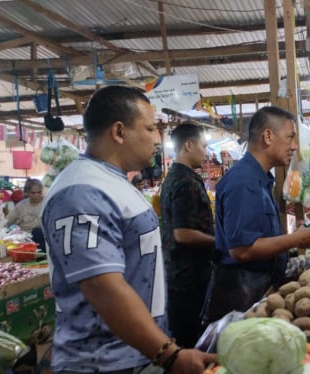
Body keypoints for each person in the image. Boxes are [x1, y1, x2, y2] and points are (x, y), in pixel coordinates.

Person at [41, 85, 216, 374]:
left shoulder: (112, 182)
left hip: (133, 354)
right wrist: (169, 355)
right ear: (119, 132)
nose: (158, 139)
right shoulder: (83, 193)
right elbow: (103, 286)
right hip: (102, 362)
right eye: (149, 129)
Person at [202, 106, 310, 325]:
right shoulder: (244, 182)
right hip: (239, 298)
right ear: (268, 136)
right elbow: (242, 250)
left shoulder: (260, 179)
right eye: (290, 138)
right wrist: (295, 239)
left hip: (256, 290)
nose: (294, 147)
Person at [159, 123, 215, 348]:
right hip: (188, 278)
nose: (206, 152)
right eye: (204, 146)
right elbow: (182, 234)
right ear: (188, 145)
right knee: (192, 342)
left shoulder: (175, 177)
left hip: (179, 275)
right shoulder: (185, 182)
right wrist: (219, 242)